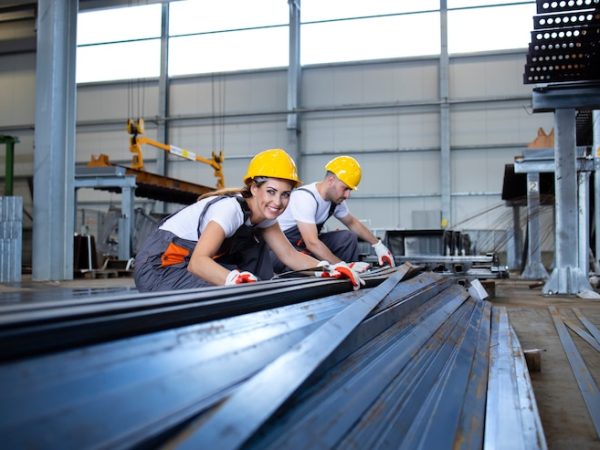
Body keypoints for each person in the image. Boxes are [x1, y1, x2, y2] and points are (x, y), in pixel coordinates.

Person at [134, 149, 364, 292]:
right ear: (254, 188)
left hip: (186, 265)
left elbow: (289, 255)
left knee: (255, 267)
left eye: (285, 194)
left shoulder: (264, 217)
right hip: (160, 267)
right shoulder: (229, 210)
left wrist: (332, 269)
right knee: (229, 293)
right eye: (271, 191)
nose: (278, 202)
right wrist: (231, 280)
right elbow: (198, 263)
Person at [275, 155, 395, 272]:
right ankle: (344, 272)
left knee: (347, 238)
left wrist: (378, 245)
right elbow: (312, 243)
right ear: (331, 180)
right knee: (302, 258)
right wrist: (343, 266)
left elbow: (352, 222)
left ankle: (349, 280)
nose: (347, 195)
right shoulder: (306, 198)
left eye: (350, 190)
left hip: (304, 245)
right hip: (285, 249)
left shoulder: (335, 201)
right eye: (345, 188)